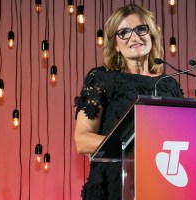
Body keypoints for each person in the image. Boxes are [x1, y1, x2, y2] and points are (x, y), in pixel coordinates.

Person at [74, 4, 183, 200]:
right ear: (115, 44)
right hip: (114, 184)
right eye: (124, 32)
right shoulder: (101, 78)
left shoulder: (169, 85)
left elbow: (182, 138)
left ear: (151, 35)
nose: (134, 37)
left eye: (141, 29)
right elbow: (82, 140)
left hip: (162, 183)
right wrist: (135, 147)